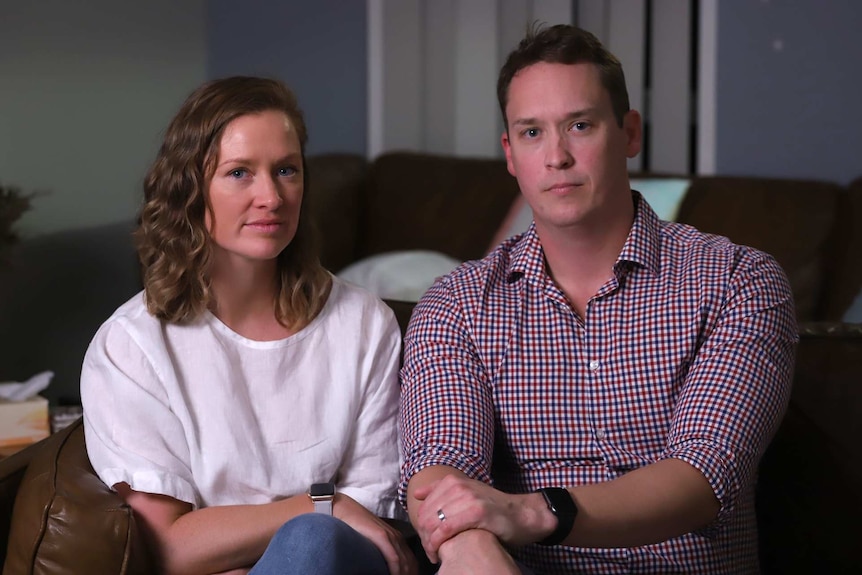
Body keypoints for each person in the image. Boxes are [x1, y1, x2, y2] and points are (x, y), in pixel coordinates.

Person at [399, 24, 797, 574]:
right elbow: (439, 466)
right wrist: (469, 542)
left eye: (579, 125)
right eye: (532, 133)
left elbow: (704, 473)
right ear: (510, 154)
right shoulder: (458, 303)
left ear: (629, 133)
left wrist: (533, 513)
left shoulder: (737, 281)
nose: (557, 156)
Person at [81, 76, 417, 575]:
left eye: (286, 170)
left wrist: (309, 525)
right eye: (239, 173)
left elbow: (372, 517)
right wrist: (319, 504)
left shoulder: (365, 323)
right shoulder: (131, 346)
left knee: (311, 543)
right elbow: (170, 548)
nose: (272, 197)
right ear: (190, 189)